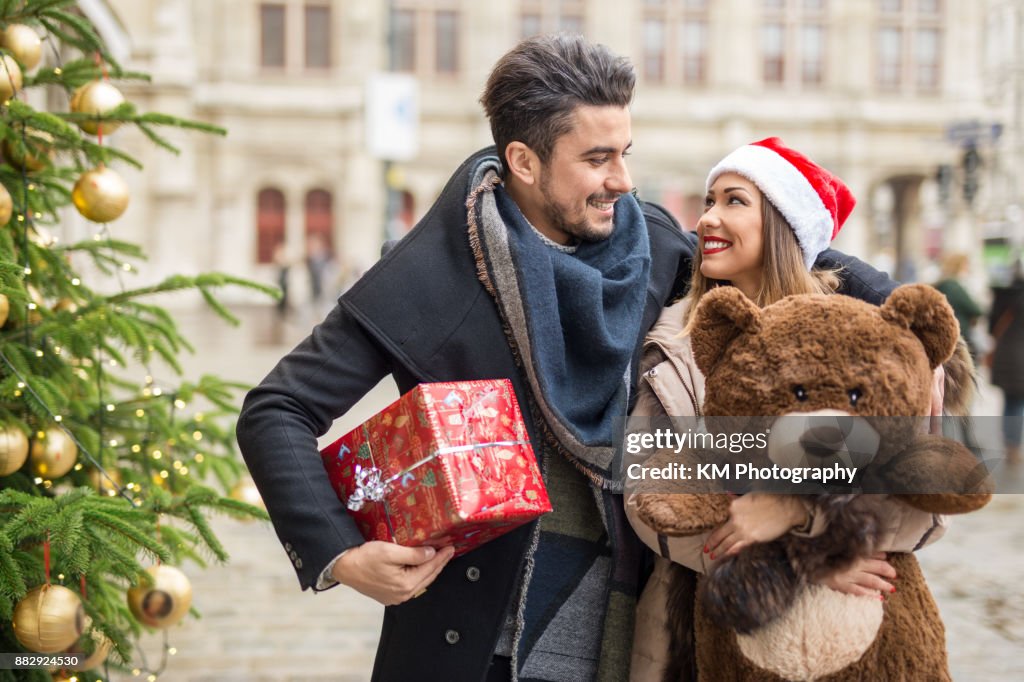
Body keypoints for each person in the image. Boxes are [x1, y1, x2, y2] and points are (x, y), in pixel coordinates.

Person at [235, 37, 896, 682]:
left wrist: (805, 523)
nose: (624, 180)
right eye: (598, 158)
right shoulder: (431, 272)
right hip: (469, 645)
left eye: (625, 153)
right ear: (524, 160)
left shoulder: (655, 248)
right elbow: (276, 409)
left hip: (630, 636)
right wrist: (343, 552)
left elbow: (787, 255)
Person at [624, 138, 947, 680]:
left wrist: (804, 522)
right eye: (708, 201)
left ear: (782, 223)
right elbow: (646, 495)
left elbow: (929, 499)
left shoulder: (860, 339)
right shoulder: (672, 344)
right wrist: (790, 562)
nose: (708, 219)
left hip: (863, 635)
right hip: (714, 632)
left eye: (734, 201)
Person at [988, 259, 1024, 466]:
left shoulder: (1003, 295)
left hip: (1004, 354)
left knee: (1010, 400)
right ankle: (1013, 446)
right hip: (1021, 356)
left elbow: (991, 326)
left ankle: (1009, 442)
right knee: (1018, 402)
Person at [934, 252, 983, 360]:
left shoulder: (943, 283)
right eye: (966, 265)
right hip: (959, 333)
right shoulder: (954, 286)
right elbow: (976, 310)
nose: (968, 268)